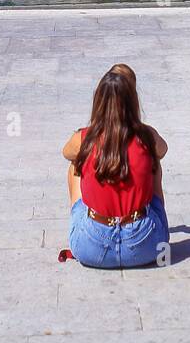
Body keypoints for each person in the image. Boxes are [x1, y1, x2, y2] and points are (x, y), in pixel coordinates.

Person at [62, 69, 169, 268]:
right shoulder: (146, 136)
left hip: (91, 249)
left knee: (75, 163)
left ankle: (84, 224)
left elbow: (66, 152)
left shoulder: (85, 138)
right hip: (147, 246)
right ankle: (153, 223)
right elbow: (163, 150)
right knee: (155, 163)